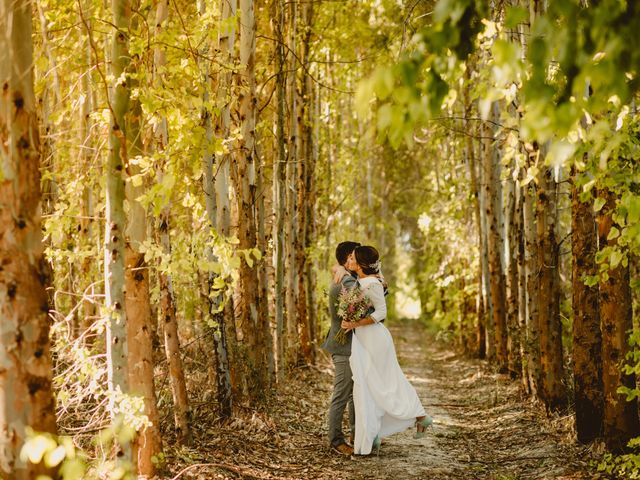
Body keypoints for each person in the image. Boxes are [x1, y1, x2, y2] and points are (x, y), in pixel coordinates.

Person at [342, 245, 432, 455]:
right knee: (368, 385)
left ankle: (420, 416)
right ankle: (373, 434)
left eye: (353, 258)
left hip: (374, 338)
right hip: (363, 339)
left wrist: (355, 324)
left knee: (387, 383)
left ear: (362, 263)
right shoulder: (361, 281)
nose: (350, 261)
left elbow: (381, 312)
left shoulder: (371, 283)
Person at [321, 241, 360, 455]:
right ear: (347, 259)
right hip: (343, 345)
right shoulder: (345, 280)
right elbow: (365, 303)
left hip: (351, 345)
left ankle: (357, 435)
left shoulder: (348, 277)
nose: (359, 259)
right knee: (342, 394)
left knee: (355, 393)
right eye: (356, 256)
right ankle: (336, 440)